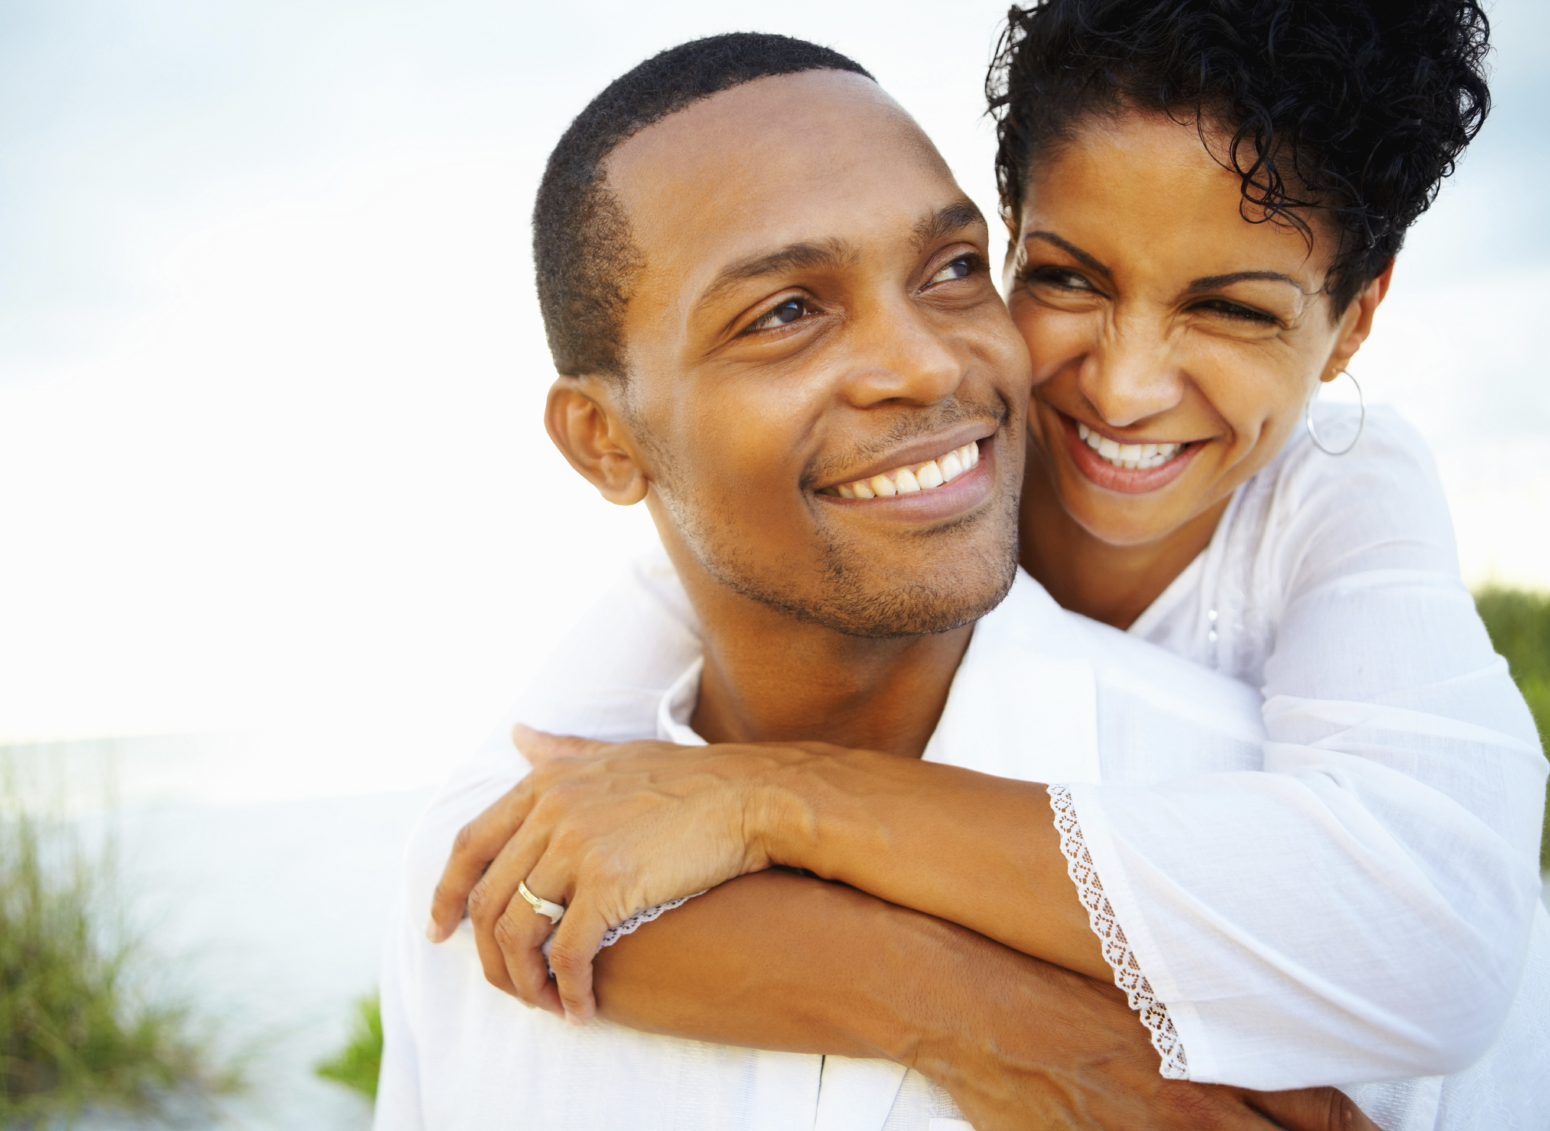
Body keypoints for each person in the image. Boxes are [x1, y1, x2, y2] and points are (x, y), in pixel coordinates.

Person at [375, 30, 1543, 1131]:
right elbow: (516, 802)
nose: (1125, 388)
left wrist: (774, 798)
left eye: (945, 270)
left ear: (1351, 322)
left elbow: (1439, 946)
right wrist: (968, 1011)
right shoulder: (516, 857)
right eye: (785, 312)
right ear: (602, 440)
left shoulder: (1324, 832)